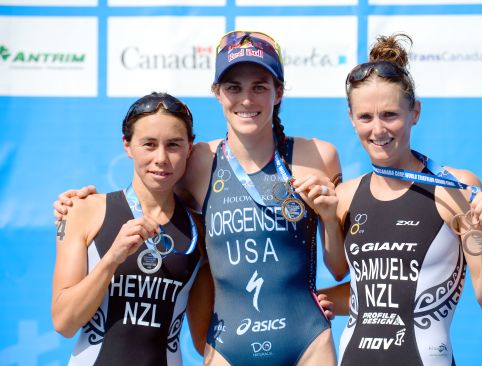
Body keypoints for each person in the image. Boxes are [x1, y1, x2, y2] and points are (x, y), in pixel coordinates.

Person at [54, 30, 345, 365]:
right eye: (234, 87)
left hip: (306, 341)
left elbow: (338, 268)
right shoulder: (198, 162)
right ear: (217, 93)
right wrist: (77, 203)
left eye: (259, 87)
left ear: (279, 91)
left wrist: (327, 218)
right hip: (228, 347)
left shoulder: (318, 156)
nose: (246, 99)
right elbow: (150, 190)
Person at [322, 33, 482, 365]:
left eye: (390, 115)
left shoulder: (455, 187)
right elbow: (355, 287)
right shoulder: (345, 195)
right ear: (351, 119)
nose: (378, 130)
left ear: (415, 112)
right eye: (366, 117)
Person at [52, 92, 212, 365]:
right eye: (149, 144)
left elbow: (202, 341)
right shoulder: (83, 211)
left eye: (173, 145)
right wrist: (112, 258)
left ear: (190, 148)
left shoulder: (199, 229)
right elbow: (64, 322)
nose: (161, 158)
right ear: (127, 145)